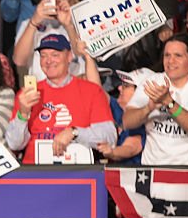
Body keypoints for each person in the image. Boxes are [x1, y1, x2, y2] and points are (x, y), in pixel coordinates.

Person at [7, 33, 115, 164]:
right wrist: (23, 114)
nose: (48, 61)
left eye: (55, 55)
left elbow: (109, 137)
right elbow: (14, 144)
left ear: (69, 57)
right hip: (35, 173)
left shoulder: (91, 91)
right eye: (43, 56)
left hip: (77, 172)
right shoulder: (27, 94)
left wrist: (74, 133)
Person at [123, 34, 188, 166]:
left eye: (178, 56)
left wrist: (169, 103)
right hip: (154, 172)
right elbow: (127, 121)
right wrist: (149, 108)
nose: (170, 61)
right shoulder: (151, 83)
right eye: (167, 55)